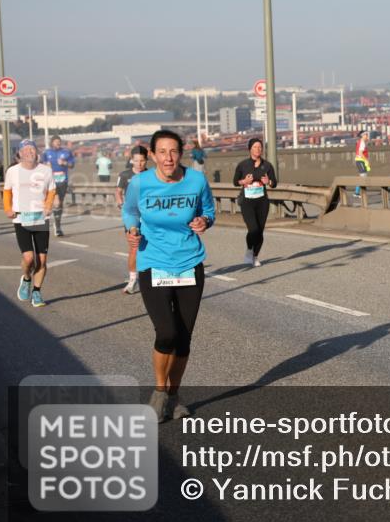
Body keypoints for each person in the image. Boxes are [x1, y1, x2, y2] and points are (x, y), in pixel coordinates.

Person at [122, 129, 215, 422]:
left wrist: (204, 221)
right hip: (154, 263)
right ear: (152, 155)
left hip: (189, 263)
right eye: (161, 152)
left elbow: (209, 210)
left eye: (173, 151)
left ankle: (173, 397)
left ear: (181, 153)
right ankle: (160, 392)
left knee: (184, 338)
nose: (168, 158)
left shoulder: (196, 180)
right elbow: (129, 212)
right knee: (167, 332)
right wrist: (132, 230)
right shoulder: (140, 183)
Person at [3, 140, 57, 307]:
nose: (29, 152)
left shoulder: (46, 171)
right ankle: (26, 278)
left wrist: (48, 206)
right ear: (19, 154)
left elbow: (51, 190)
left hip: (40, 218)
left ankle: (37, 292)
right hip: (21, 219)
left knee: (42, 260)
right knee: (28, 258)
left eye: (32, 149)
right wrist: (7, 208)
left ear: (37, 152)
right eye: (25, 150)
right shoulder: (13, 171)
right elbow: (7, 191)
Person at [233, 137, 278, 267]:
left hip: (262, 202)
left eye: (260, 147)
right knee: (253, 229)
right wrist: (244, 182)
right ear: (250, 149)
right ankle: (249, 250)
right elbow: (235, 181)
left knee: (260, 231)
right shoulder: (243, 165)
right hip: (247, 202)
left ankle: (255, 256)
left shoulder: (267, 165)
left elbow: (274, 183)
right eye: (255, 147)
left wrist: (268, 182)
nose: (258, 149)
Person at [116, 145, 149, 294]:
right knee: (134, 247)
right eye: (136, 161)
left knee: (150, 246)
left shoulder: (152, 175)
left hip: (149, 216)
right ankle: (133, 280)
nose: (139, 164)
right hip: (132, 216)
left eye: (142, 161)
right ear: (131, 160)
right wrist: (121, 205)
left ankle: (149, 276)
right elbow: (118, 192)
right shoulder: (124, 175)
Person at [40, 135, 75, 237]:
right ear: (52, 143)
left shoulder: (66, 152)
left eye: (59, 142)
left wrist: (64, 163)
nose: (58, 143)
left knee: (60, 204)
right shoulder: (46, 153)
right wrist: (46, 165)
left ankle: (57, 225)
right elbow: (40, 165)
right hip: (51, 181)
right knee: (56, 202)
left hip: (63, 181)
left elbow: (72, 165)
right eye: (56, 142)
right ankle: (54, 226)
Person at [354, 131, 370, 200]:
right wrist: (366, 160)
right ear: (362, 135)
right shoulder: (362, 143)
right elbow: (360, 153)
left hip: (360, 160)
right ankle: (361, 193)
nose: (367, 136)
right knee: (363, 176)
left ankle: (357, 192)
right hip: (360, 160)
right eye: (366, 135)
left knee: (362, 176)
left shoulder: (361, 142)